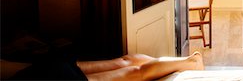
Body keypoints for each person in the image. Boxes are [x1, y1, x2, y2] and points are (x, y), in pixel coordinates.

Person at [11, 51, 204, 80]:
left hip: (58, 77)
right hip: (49, 67)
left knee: (136, 73)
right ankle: (186, 60)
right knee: (125, 61)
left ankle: (189, 63)